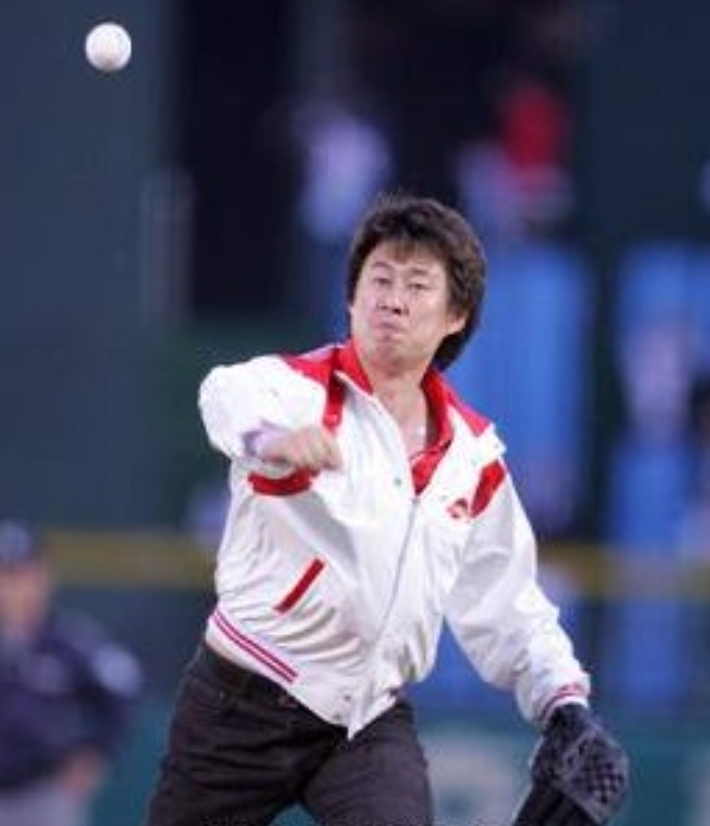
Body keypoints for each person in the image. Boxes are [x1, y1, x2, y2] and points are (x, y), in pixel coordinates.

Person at [145, 192, 627, 826]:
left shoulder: (472, 457)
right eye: (379, 279)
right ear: (351, 299)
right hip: (239, 705)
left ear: (456, 316)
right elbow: (225, 393)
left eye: (417, 284)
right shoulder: (297, 390)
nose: (393, 299)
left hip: (365, 720)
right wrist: (269, 438)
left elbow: (507, 602)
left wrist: (563, 701)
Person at [0, 521, 143, 826]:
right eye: (8, 576)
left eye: (25, 574)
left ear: (44, 576)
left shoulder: (70, 641)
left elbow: (124, 686)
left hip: (42, 793)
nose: (17, 587)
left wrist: (95, 751)